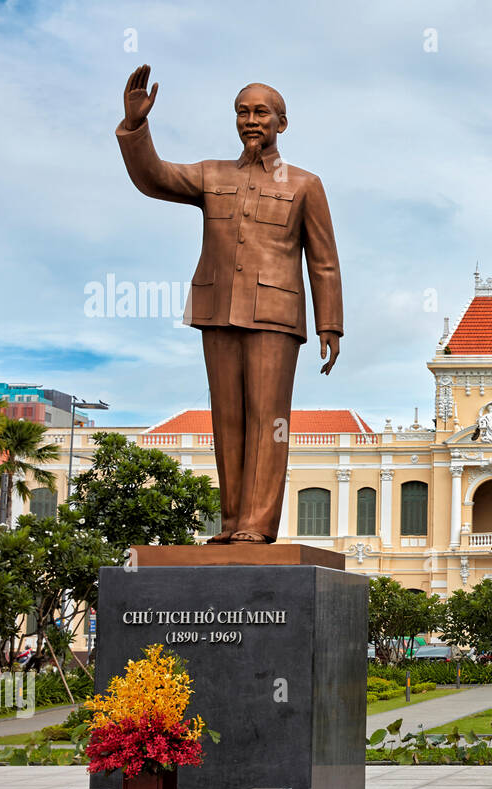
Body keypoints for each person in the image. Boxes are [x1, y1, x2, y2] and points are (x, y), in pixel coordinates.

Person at [116, 65, 344, 543]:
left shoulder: (305, 184)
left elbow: (323, 260)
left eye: (262, 112)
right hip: (217, 311)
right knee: (229, 420)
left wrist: (331, 325)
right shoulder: (209, 174)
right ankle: (233, 522)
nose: (251, 120)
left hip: (276, 318)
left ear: (282, 122)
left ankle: (259, 526)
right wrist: (136, 128)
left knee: (270, 420)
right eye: (242, 112)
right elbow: (153, 177)